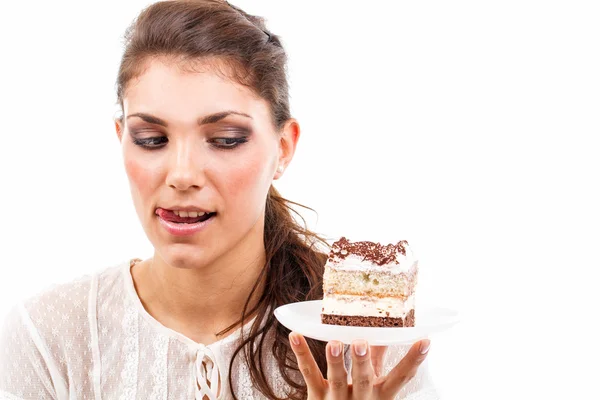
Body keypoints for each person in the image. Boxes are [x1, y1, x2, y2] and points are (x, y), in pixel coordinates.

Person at [0, 1, 440, 399]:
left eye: (225, 140)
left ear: (283, 148)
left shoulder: (367, 344)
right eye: (152, 139)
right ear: (122, 140)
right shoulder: (49, 334)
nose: (183, 175)